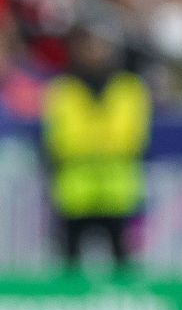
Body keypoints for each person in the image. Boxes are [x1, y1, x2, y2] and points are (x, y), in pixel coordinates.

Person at [42, 22, 150, 270]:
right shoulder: (63, 89)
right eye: (87, 45)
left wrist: (88, 140)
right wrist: (103, 139)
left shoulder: (129, 88)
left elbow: (130, 140)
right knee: (69, 267)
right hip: (75, 195)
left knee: (123, 266)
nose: (94, 51)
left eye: (100, 45)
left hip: (118, 195)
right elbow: (62, 142)